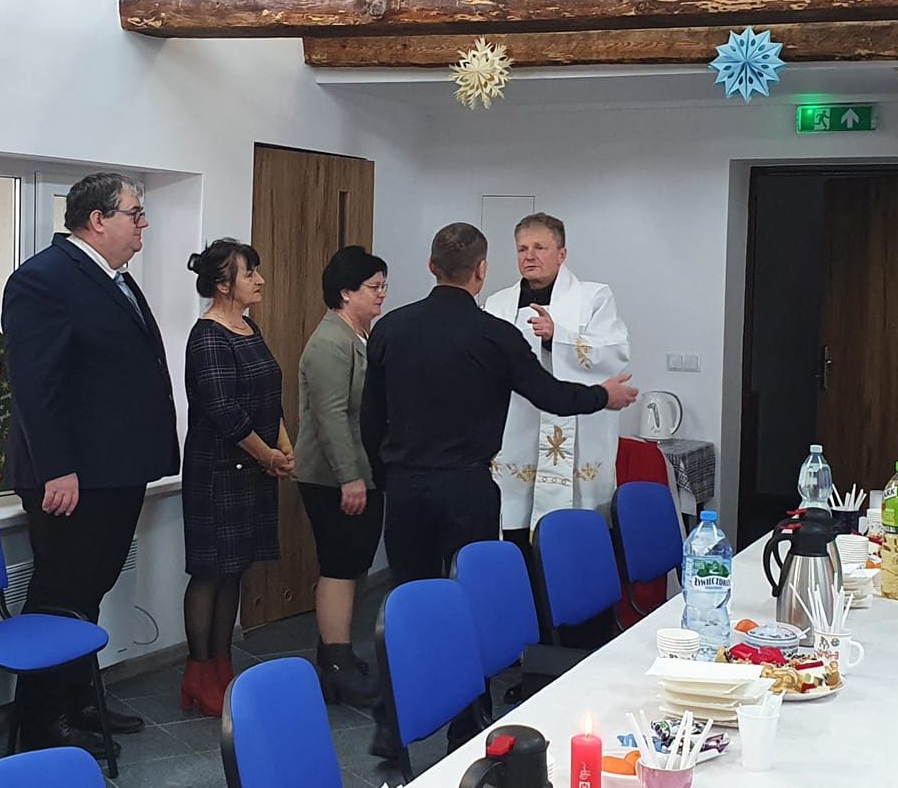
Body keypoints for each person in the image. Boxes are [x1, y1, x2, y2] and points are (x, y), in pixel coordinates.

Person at [360, 223, 638, 760]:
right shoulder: (494, 332)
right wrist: (602, 396)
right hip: (465, 486)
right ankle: (466, 721)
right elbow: (550, 394)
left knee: (409, 602)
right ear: (483, 270)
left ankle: (395, 722)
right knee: (467, 601)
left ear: (431, 266)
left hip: (406, 488)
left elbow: (370, 418)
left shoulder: (391, 327)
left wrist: (386, 475)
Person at [2, 172, 175, 757]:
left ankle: (79, 702)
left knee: (88, 591)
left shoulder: (114, 279)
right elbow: (36, 384)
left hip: (114, 470)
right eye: (135, 213)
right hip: (71, 477)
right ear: (98, 220)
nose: (143, 223)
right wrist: (57, 467)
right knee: (59, 595)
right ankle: (42, 723)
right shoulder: (43, 279)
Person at [177, 238, 293, 718]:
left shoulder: (247, 326)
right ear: (223, 284)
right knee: (210, 573)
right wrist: (268, 456)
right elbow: (224, 410)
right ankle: (198, 672)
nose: (259, 280)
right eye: (249, 273)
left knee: (235, 569)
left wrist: (284, 445)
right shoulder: (208, 336)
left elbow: (268, 396)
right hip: (217, 471)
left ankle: (223, 667)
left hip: (252, 467)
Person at [484, 213, 632, 535]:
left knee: (572, 534)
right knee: (515, 527)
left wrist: (558, 337)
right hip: (517, 429)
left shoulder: (594, 297)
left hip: (578, 431)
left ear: (561, 254)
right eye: (522, 249)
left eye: (540, 248)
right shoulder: (498, 303)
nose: (530, 256)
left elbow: (615, 352)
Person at [292, 245, 389, 707]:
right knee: (339, 565)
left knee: (355, 565)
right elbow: (330, 416)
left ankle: (340, 652)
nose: (381, 294)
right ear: (346, 292)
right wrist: (350, 477)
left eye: (384, 286)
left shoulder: (358, 336)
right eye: (374, 287)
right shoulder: (330, 342)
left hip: (361, 473)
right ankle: (335, 665)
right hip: (332, 478)